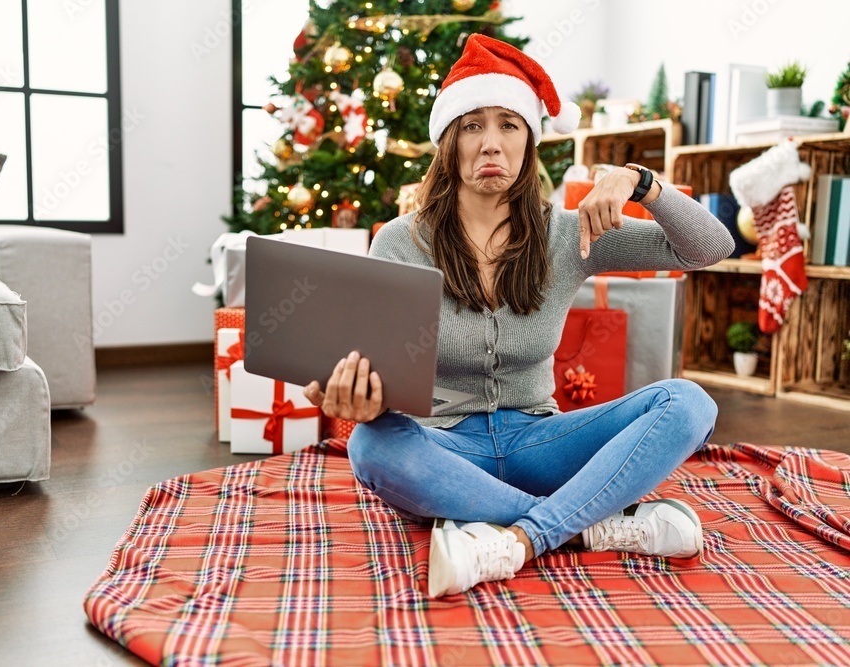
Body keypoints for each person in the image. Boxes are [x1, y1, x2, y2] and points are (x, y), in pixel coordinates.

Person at [303, 34, 735, 598]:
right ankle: (590, 527)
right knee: (370, 445)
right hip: (444, 450)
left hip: (543, 443)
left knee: (689, 402)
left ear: (530, 141)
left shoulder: (567, 232)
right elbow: (375, 370)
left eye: (508, 124)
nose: (491, 143)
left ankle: (521, 538)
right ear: (449, 142)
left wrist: (641, 181)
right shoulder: (400, 242)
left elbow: (710, 247)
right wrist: (357, 399)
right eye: (473, 125)